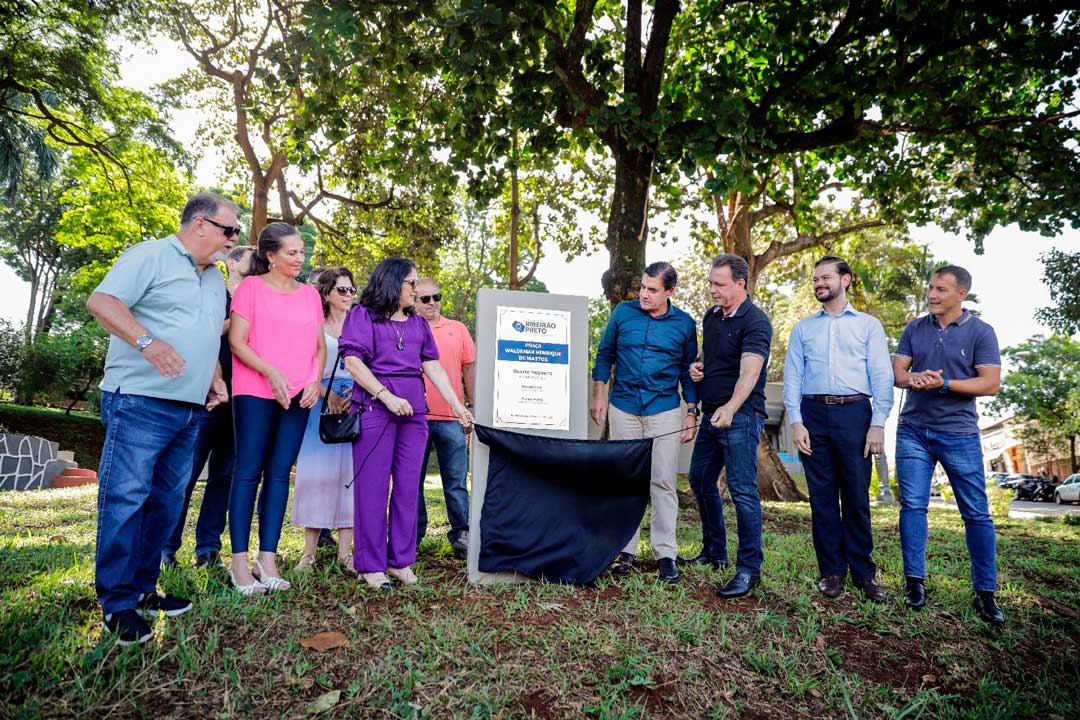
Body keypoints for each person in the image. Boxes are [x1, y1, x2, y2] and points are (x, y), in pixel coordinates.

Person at [86, 191, 235, 644]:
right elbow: (103, 302)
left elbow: (208, 334)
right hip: (139, 400)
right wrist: (149, 343)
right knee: (127, 498)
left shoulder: (216, 279)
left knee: (167, 502)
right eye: (228, 230)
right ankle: (116, 602)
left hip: (190, 408)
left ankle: (145, 589)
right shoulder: (150, 254)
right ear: (200, 225)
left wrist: (215, 379)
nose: (232, 239)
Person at [339, 258, 474, 590]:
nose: (417, 291)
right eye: (412, 284)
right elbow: (353, 361)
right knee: (372, 488)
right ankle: (370, 565)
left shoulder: (417, 324)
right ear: (393, 283)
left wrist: (458, 405)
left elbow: (433, 366)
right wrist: (385, 396)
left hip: (414, 415)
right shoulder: (362, 315)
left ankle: (400, 560)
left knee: (407, 487)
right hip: (375, 410)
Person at [892, 265, 1005, 624]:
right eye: (930, 287)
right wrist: (915, 378)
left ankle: (985, 593)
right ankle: (914, 583)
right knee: (912, 507)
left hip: (959, 434)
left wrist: (943, 384)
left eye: (941, 289)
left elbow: (989, 384)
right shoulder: (915, 328)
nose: (932, 294)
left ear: (962, 294)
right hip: (913, 430)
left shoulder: (981, 332)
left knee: (976, 513)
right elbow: (898, 375)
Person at [782, 256, 893, 602]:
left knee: (856, 497)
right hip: (813, 415)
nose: (818, 284)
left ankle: (864, 573)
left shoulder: (868, 326)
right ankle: (831, 571)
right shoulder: (803, 329)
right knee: (823, 499)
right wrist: (795, 420)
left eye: (825, 277)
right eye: (815, 279)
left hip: (856, 414)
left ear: (845, 280)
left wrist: (877, 424)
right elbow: (792, 377)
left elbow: (882, 376)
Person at [227, 222, 326, 595]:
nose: (301, 258)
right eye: (293, 253)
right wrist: (270, 372)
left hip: (300, 394)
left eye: (302, 252)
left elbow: (320, 347)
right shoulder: (251, 288)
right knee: (248, 472)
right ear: (271, 256)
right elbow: (237, 342)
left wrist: (315, 381)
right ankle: (239, 561)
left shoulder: (310, 296)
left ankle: (266, 559)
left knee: (281, 473)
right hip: (256, 390)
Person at [590, 261, 699, 584]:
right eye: (642, 287)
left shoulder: (684, 324)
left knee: (663, 481)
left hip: (664, 409)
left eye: (652, 290)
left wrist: (692, 410)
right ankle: (626, 550)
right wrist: (599, 395)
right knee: (625, 479)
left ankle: (665, 552)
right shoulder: (623, 314)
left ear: (669, 291)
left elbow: (687, 370)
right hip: (623, 406)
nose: (644, 295)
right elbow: (604, 355)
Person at [162, 245, 254, 570]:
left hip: (243, 399)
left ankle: (208, 548)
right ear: (232, 263)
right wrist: (231, 325)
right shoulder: (214, 296)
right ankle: (166, 547)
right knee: (185, 473)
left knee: (224, 475)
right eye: (250, 255)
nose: (258, 258)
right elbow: (194, 332)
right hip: (208, 394)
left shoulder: (257, 301)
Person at [687, 253, 773, 599]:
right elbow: (713, 358)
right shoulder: (711, 317)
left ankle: (749, 568)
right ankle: (714, 551)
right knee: (700, 478)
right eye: (710, 283)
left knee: (742, 490)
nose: (712, 290)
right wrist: (699, 367)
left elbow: (750, 371)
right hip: (712, 412)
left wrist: (731, 408)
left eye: (719, 284)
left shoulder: (756, 321)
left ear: (740, 284)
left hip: (742, 415)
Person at [292, 267, 358, 573]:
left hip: (355, 402)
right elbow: (305, 367)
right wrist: (324, 393)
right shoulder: (314, 325)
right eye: (341, 290)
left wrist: (355, 394)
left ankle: (346, 553)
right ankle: (309, 553)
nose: (348, 295)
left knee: (350, 477)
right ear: (328, 294)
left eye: (351, 290)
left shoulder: (360, 324)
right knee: (315, 475)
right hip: (320, 400)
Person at [414, 278, 476, 559]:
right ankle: (412, 534)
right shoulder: (407, 328)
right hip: (414, 418)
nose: (432, 303)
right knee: (411, 480)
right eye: (425, 298)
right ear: (414, 300)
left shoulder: (457, 329)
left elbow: (469, 370)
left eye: (436, 297)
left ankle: (462, 534)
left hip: (451, 417)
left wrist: (471, 405)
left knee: (456, 481)